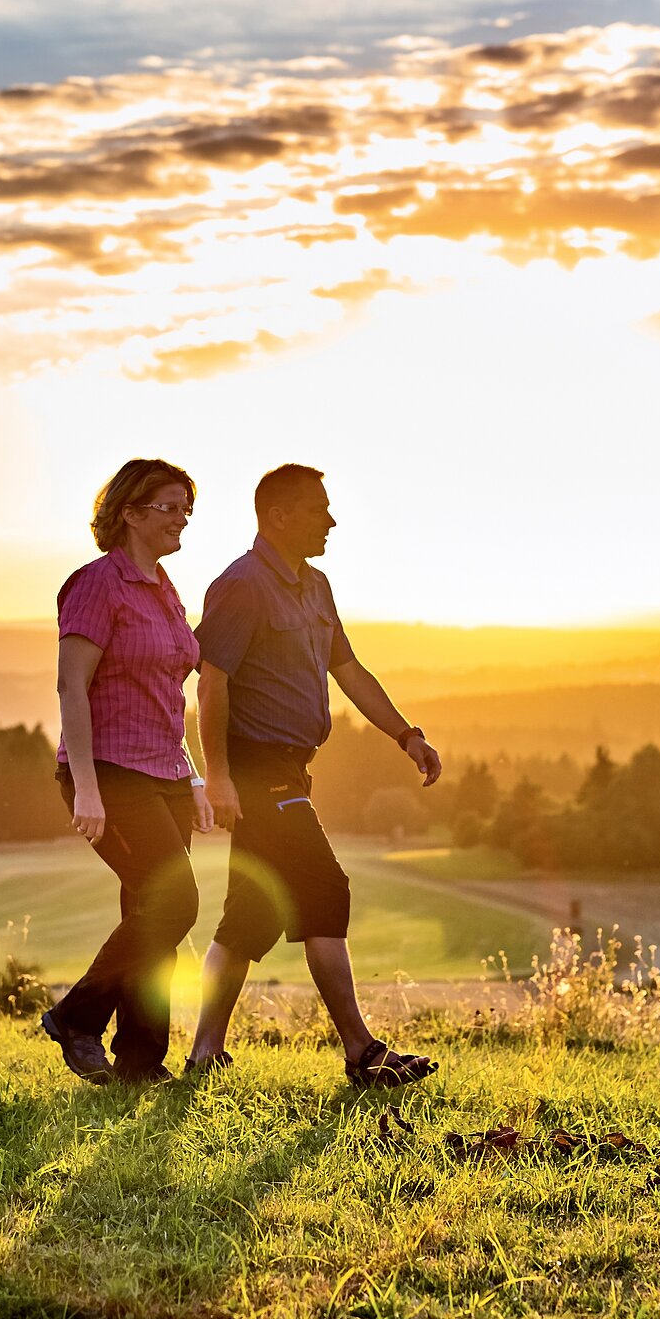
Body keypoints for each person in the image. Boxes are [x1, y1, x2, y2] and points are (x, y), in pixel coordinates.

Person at [185, 464, 444, 1086]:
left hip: (294, 769)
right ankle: (361, 1051)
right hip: (256, 767)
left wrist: (408, 735)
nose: (331, 520)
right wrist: (217, 776)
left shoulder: (317, 585)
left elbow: (348, 671)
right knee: (325, 888)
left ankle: (203, 1056)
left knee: (252, 913)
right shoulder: (240, 586)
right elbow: (212, 681)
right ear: (276, 516)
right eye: (317, 509)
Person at [38, 457, 214, 1086]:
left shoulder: (165, 590)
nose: (182, 519)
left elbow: (169, 694)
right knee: (175, 900)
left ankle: (140, 1062)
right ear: (130, 512)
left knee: (150, 909)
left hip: (163, 773)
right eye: (169, 506)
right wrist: (85, 784)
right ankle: (77, 1017)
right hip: (109, 771)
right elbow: (71, 687)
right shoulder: (96, 585)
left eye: (186, 508)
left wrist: (190, 774)